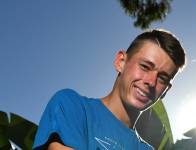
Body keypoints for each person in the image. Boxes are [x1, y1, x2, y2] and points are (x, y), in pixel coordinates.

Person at [32, 29, 186, 150]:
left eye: (162, 78)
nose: (151, 82)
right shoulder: (72, 106)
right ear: (121, 62)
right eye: (145, 66)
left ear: (165, 90)